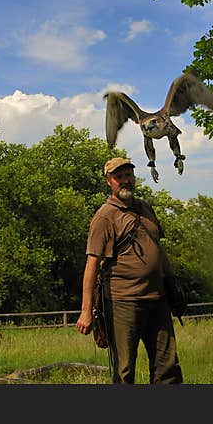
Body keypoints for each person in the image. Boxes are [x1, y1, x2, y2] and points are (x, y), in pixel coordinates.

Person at [75, 157, 183, 384]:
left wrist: (172, 284)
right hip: (124, 302)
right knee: (125, 371)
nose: (125, 181)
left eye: (128, 175)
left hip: (157, 299)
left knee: (168, 367)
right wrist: (86, 312)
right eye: (119, 177)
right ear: (109, 182)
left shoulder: (145, 208)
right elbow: (91, 265)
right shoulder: (104, 216)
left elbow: (158, 248)